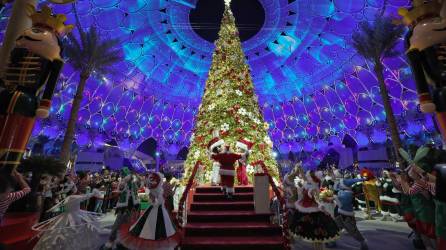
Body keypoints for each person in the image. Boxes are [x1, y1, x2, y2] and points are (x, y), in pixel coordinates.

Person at [119, 172, 179, 250]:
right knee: (153, 225)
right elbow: (154, 202)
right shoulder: (154, 190)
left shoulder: (155, 189)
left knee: (154, 224)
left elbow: (153, 200)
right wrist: (158, 201)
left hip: (156, 209)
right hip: (155, 208)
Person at [32, 193, 108, 250]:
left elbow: (83, 197)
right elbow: (85, 197)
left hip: (67, 215)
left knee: (65, 229)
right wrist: (93, 193)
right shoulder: (74, 197)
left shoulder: (68, 198)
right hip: (74, 215)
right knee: (74, 229)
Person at [292, 170, 340, 250]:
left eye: (308, 176)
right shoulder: (308, 184)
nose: (306, 178)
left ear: (312, 178)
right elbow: (304, 179)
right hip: (308, 211)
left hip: (315, 214)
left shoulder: (313, 188)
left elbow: (318, 200)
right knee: (314, 237)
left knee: (317, 238)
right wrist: (300, 169)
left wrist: (323, 209)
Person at [103, 167, 140, 250]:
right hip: (126, 207)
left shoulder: (130, 182)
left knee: (124, 225)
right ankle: (116, 241)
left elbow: (130, 190)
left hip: (129, 207)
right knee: (121, 225)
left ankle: (117, 241)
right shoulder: (127, 182)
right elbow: (123, 190)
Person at [333, 172, 368, 250]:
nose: (339, 184)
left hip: (346, 215)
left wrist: (334, 198)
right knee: (335, 228)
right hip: (339, 214)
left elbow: (341, 205)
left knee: (353, 231)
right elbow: (335, 188)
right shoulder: (342, 191)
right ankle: (332, 241)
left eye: (341, 183)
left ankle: (363, 243)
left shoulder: (348, 194)